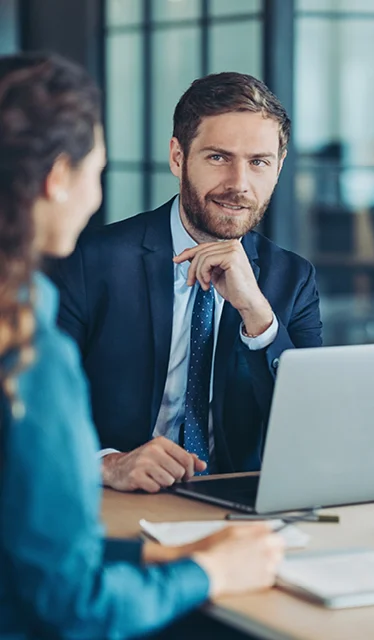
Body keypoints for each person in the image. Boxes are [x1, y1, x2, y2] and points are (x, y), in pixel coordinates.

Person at [0, 53, 284, 639]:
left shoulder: (25, 316)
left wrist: (164, 556)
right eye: (96, 170)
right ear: (59, 178)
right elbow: (73, 606)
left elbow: (30, 554)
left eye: (259, 161)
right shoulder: (29, 350)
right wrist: (207, 571)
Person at [51, 71, 323, 493]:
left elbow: (310, 427)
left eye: (258, 162)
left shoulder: (293, 278)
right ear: (178, 157)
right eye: (218, 157)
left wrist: (258, 316)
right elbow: (31, 413)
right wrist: (107, 465)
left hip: (240, 505)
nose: (239, 184)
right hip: (118, 500)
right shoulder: (90, 263)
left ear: (279, 167)